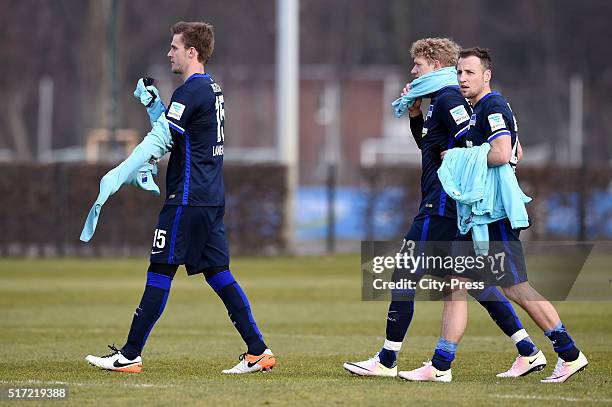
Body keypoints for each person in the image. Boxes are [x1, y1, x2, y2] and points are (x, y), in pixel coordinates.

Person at [343, 38, 542, 379]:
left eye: (418, 64)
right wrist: (416, 115)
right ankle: (528, 349)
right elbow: (432, 146)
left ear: (435, 66)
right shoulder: (439, 99)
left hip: (442, 204)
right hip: (447, 203)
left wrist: (506, 149)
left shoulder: (449, 97)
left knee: (405, 272)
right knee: (472, 282)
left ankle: (387, 360)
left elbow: (472, 143)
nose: (412, 70)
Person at [85, 21, 275, 374]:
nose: (168, 53)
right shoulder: (211, 90)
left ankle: (129, 354)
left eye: (174, 47)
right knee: (219, 273)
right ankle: (258, 350)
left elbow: (161, 141)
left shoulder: (190, 92)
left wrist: (119, 173)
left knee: (159, 270)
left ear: (192, 52)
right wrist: (156, 105)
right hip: (210, 197)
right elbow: (178, 135)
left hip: (186, 199)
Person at [399, 47, 588, 383]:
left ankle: (569, 353)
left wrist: (457, 160)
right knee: (456, 284)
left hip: (494, 215)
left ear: (486, 76)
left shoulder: (492, 105)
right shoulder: (474, 111)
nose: (462, 79)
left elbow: (503, 154)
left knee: (516, 287)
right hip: (477, 215)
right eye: (459, 73)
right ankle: (441, 365)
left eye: (470, 73)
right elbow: (516, 149)